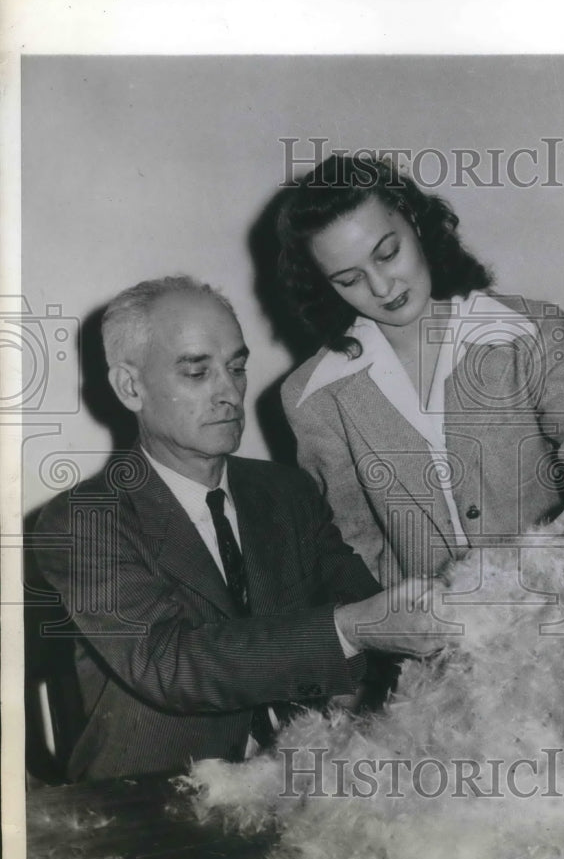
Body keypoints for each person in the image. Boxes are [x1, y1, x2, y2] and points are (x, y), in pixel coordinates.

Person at [33, 275, 449, 782]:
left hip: (305, 787)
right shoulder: (83, 520)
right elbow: (175, 667)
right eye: (196, 372)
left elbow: (366, 610)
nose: (229, 392)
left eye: (236, 367)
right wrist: (349, 630)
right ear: (130, 387)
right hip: (150, 802)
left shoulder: (287, 492)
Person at [279, 155, 564, 624]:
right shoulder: (315, 396)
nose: (380, 286)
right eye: (349, 279)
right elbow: (350, 547)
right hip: (433, 660)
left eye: (387, 252)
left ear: (415, 220)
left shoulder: (529, 332)